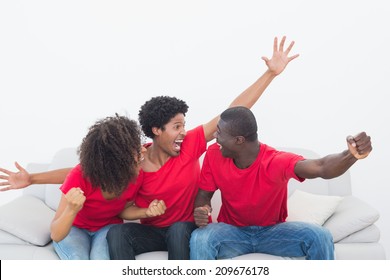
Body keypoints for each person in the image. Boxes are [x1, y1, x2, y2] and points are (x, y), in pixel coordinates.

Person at [0, 36, 299, 259]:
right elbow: (85, 172)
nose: (184, 132)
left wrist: (270, 74)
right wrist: (33, 179)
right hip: (150, 231)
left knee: (182, 229)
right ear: (156, 131)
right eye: (177, 127)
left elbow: (231, 112)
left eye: (185, 125)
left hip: (183, 229)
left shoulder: (191, 145)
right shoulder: (134, 160)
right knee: (117, 232)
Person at [189, 106, 372, 260]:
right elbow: (204, 196)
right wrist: (202, 209)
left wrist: (351, 155)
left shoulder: (276, 161)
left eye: (219, 133)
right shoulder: (214, 154)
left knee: (320, 236)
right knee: (200, 238)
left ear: (239, 140)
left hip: (273, 233)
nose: (215, 136)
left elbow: (321, 167)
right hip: (231, 233)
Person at [49, 114, 166, 260]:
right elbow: (56, 234)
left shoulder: (136, 174)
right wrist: (71, 210)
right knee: (77, 259)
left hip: (107, 228)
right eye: (135, 150)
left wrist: (146, 212)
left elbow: (125, 210)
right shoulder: (79, 175)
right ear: (115, 162)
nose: (143, 150)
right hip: (75, 228)